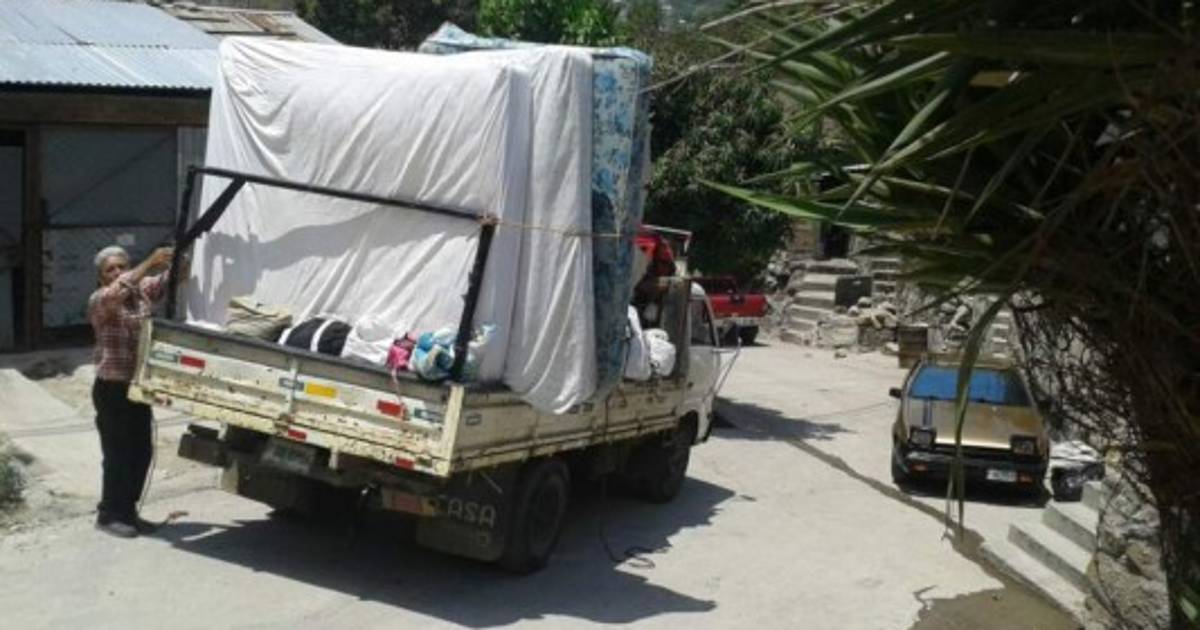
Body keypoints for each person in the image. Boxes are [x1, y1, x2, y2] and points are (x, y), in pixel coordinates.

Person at [88, 244, 173, 538]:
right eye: (109, 269)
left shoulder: (140, 293)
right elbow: (118, 292)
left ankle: (128, 512)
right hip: (111, 388)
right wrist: (151, 261)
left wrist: (180, 256)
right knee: (117, 454)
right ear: (101, 278)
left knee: (141, 452)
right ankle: (109, 514)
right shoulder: (100, 299)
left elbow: (167, 280)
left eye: (121, 266)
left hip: (137, 387)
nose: (117, 272)